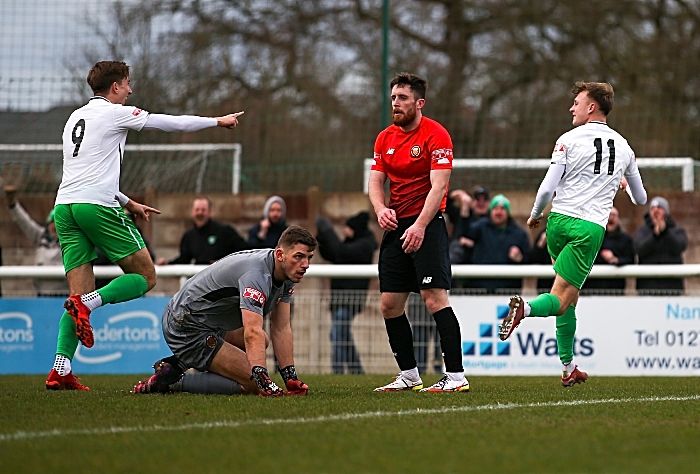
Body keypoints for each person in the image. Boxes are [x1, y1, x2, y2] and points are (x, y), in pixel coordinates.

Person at [46, 60, 244, 391]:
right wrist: (216, 121)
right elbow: (171, 123)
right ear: (114, 88)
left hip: (65, 207)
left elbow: (87, 173)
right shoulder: (113, 112)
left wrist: (127, 201)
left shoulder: (74, 118)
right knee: (145, 276)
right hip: (95, 206)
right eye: (127, 84)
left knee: (75, 295)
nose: (130, 90)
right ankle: (87, 304)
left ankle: (60, 368)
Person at [499, 81, 647, 387]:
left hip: (557, 223)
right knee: (562, 299)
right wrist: (624, 184)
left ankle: (568, 369)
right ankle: (524, 310)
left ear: (592, 106)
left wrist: (535, 214)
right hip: (588, 229)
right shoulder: (625, 147)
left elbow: (547, 188)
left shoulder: (567, 140)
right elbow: (641, 199)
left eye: (577, 102)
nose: (572, 108)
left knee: (570, 296)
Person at [368, 72, 469, 393]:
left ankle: (455, 376)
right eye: (394, 97)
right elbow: (375, 181)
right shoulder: (385, 137)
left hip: (428, 225)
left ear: (419, 103)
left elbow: (439, 186)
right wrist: (380, 209)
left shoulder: (436, 135)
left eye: (403, 98)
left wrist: (421, 225)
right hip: (397, 227)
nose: (396, 104)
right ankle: (409, 375)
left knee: (434, 298)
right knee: (389, 304)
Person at [132, 226, 316, 397]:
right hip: (185, 324)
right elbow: (252, 332)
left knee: (263, 340)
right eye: (299, 256)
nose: (305, 264)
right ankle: (171, 382)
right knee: (253, 385)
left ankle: (178, 364)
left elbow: (281, 328)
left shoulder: (286, 273)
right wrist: (262, 379)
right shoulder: (257, 276)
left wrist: (290, 377)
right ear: (280, 254)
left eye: (309, 258)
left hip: (204, 321)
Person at [315, 211, 377, 374]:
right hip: (340, 299)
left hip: (349, 300)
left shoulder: (364, 245)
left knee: (337, 335)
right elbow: (332, 253)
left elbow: (339, 251)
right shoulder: (354, 243)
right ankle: (357, 371)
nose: (345, 231)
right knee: (343, 336)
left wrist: (328, 231)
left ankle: (338, 371)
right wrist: (321, 235)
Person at [4, 185, 69, 296]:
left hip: (63, 295)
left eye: (59, 225)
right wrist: (12, 204)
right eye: (53, 223)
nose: (55, 227)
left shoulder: (69, 242)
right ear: (48, 224)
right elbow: (24, 221)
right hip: (42, 295)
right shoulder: (40, 237)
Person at [466, 194, 531, 294]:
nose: (498, 212)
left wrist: (520, 258)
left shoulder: (519, 234)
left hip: (508, 290)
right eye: (495, 208)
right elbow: (463, 235)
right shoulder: (480, 227)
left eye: (502, 209)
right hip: (480, 288)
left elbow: (530, 259)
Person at [156, 196, 248, 266]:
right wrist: (167, 263)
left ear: (210, 212)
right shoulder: (189, 236)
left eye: (203, 210)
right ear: (193, 212)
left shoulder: (225, 231)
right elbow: (184, 259)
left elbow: (243, 251)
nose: (200, 213)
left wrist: (223, 263)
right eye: (197, 210)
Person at [633, 197, 687, 295]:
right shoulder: (642, 231)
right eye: (653, 208)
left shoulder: (677, 231)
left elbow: (679, 247)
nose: (656, 210)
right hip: (647, 287)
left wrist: (665, 232)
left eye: (659, 208)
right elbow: (639, 249)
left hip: (672, 288)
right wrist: (655, 235)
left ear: (666, 212)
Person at [581, 206, 635, 295]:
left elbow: (630, 259)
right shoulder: (593, 236)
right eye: (609, 215)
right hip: (593, 288)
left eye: (614, 215)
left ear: (618, 219)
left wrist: (616, 260)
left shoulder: (625, 240)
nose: (611, 217)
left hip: (615, 289)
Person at [526, 228, 555, 293]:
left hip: (569, 285)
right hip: (545, 286)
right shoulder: (545, 233)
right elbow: (533, 258)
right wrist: (541, 244)